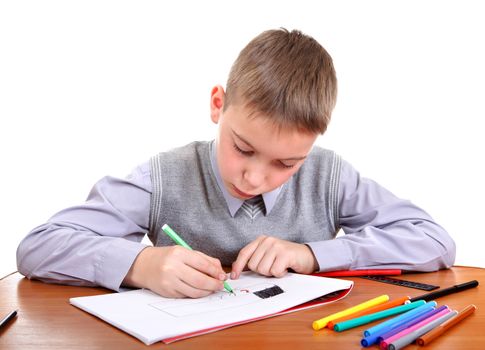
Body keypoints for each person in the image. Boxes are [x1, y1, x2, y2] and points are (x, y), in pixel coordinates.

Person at [16, 28, 455, 299]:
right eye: (242, 148)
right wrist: (140, 266)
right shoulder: (163, 178)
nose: (255, 177)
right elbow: (38, 246)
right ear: (217, 106)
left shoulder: (329, 175)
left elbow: (433, 241)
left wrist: (313, 255)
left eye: (286, 163)